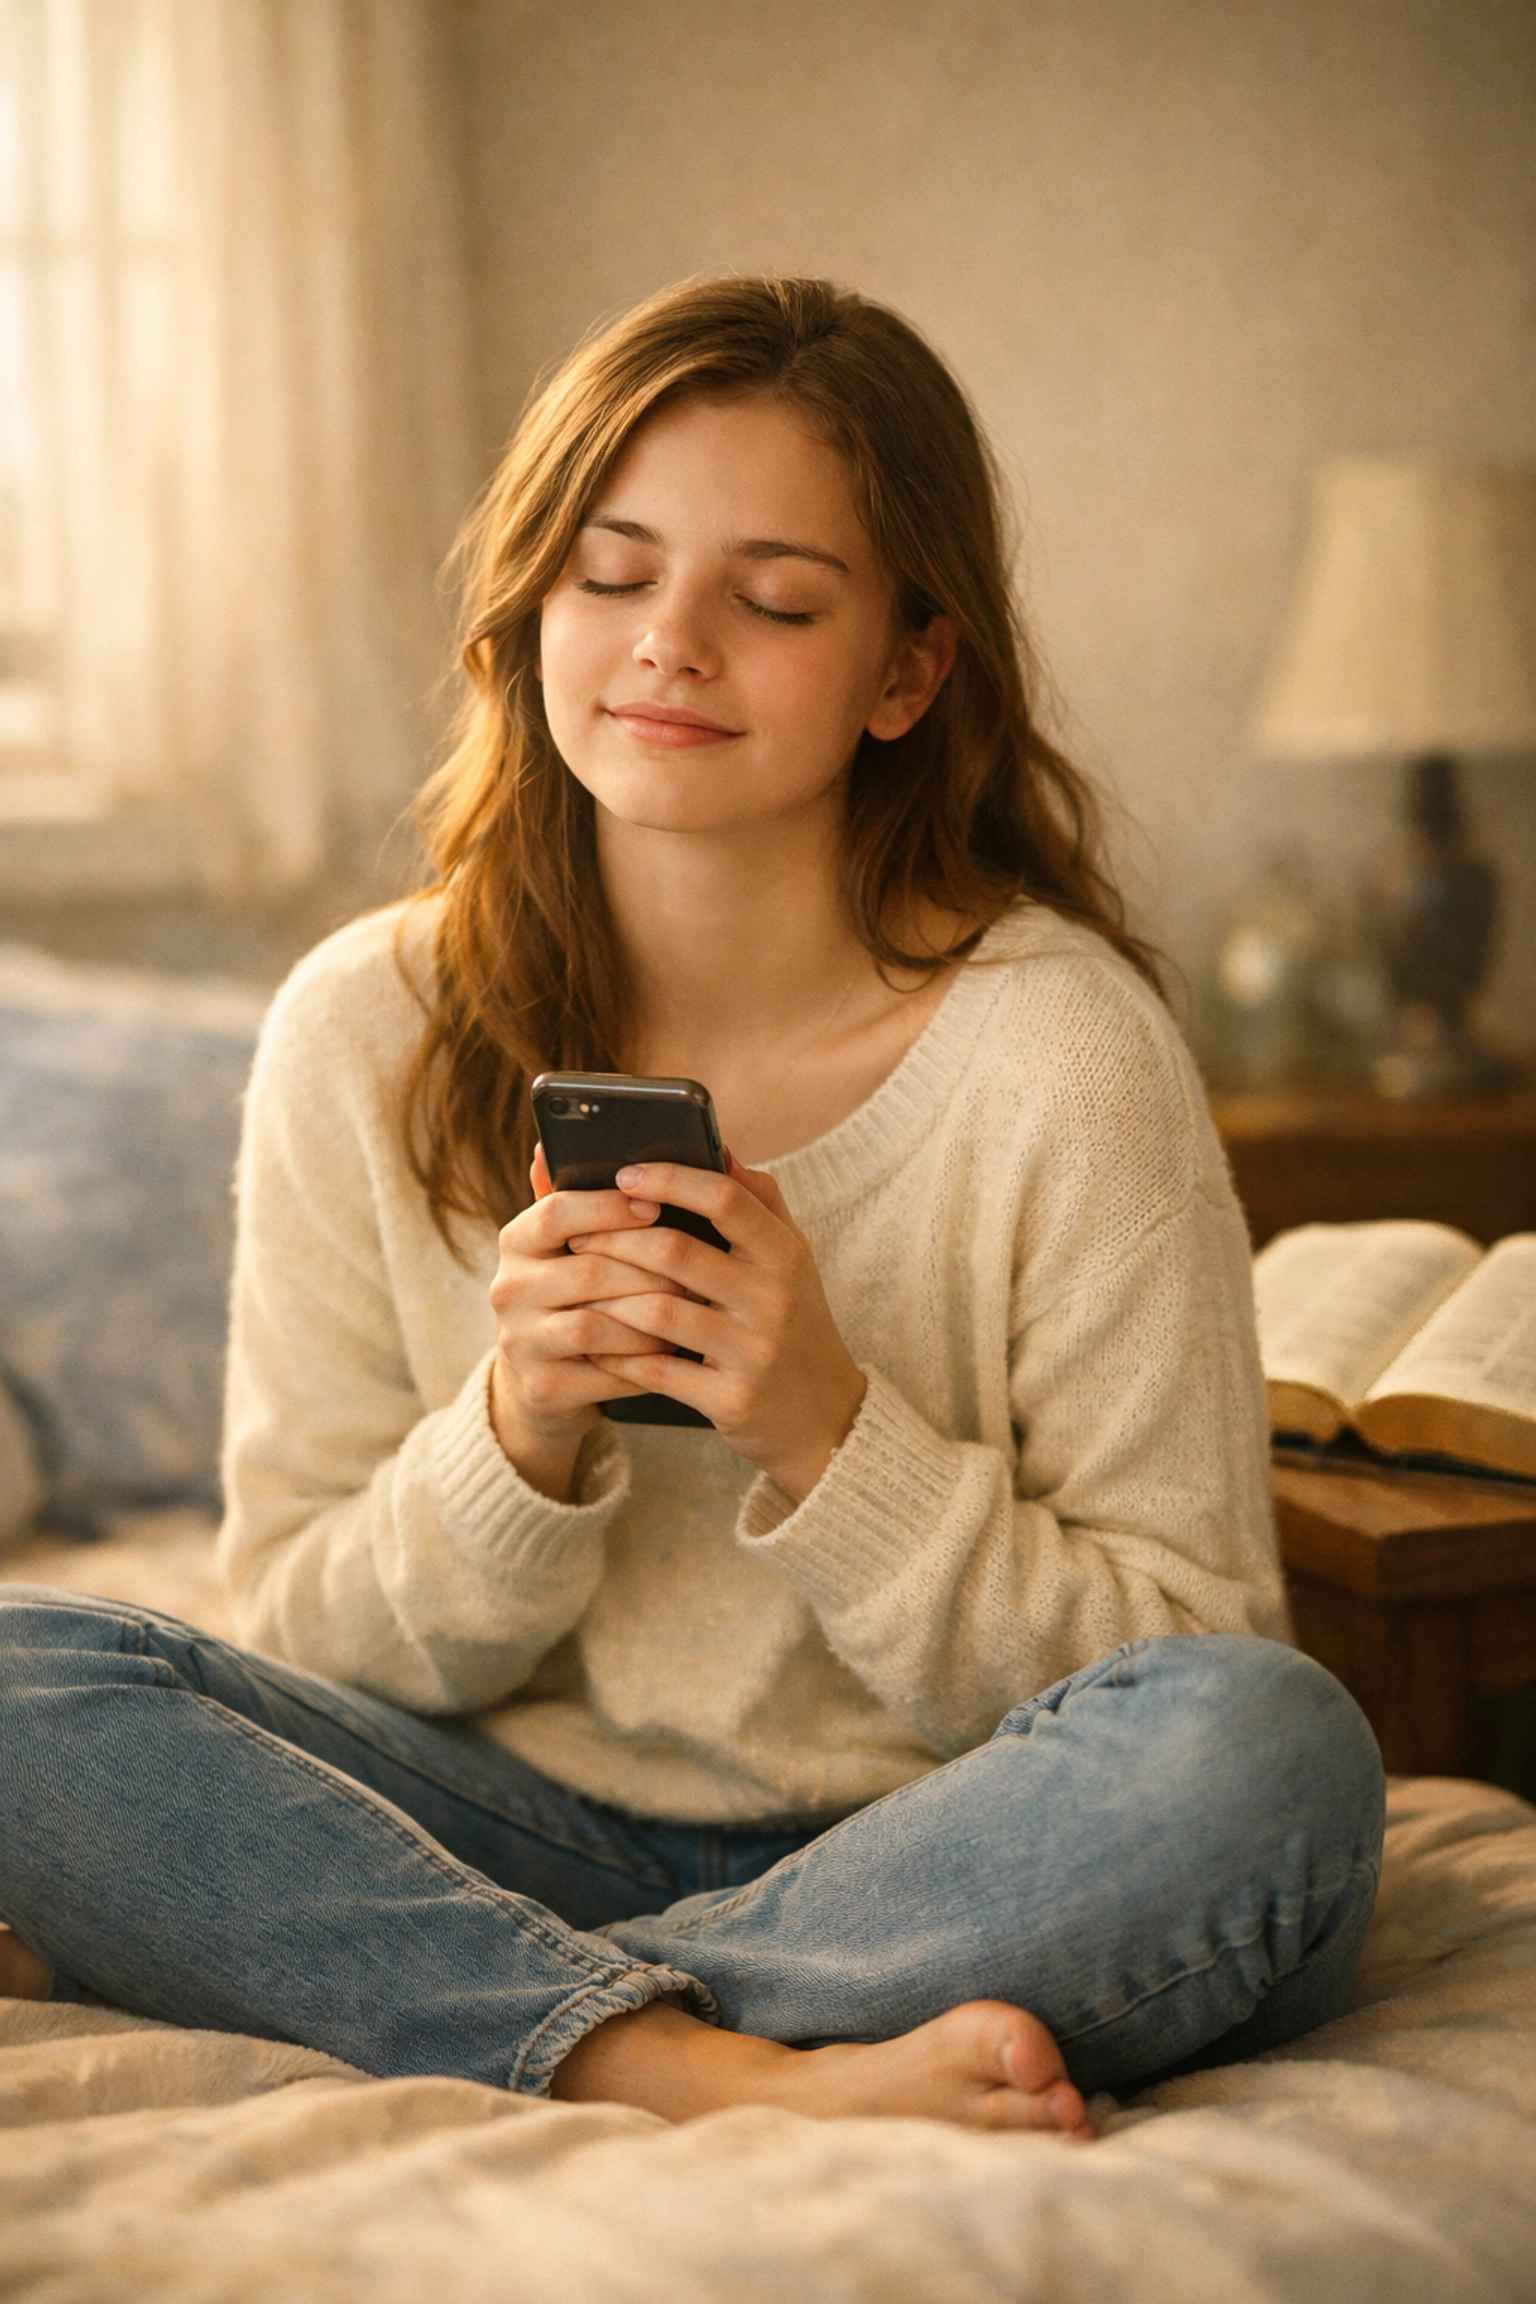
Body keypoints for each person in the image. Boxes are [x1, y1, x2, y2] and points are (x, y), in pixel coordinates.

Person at [0, 278, 1383, 2137]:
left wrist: (826, 1430)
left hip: (946, 1849)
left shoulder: (1066, 1056)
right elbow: (300, 1625)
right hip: (489, 1818)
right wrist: (518, 1435)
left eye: (779, 598)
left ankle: (452, 1987)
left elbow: (1186, 1653)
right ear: (532, 609)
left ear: (907, 670)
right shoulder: (364, 1027)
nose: (670, 645)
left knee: (1270, 1753)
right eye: (611, 573)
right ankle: (684, 2056)